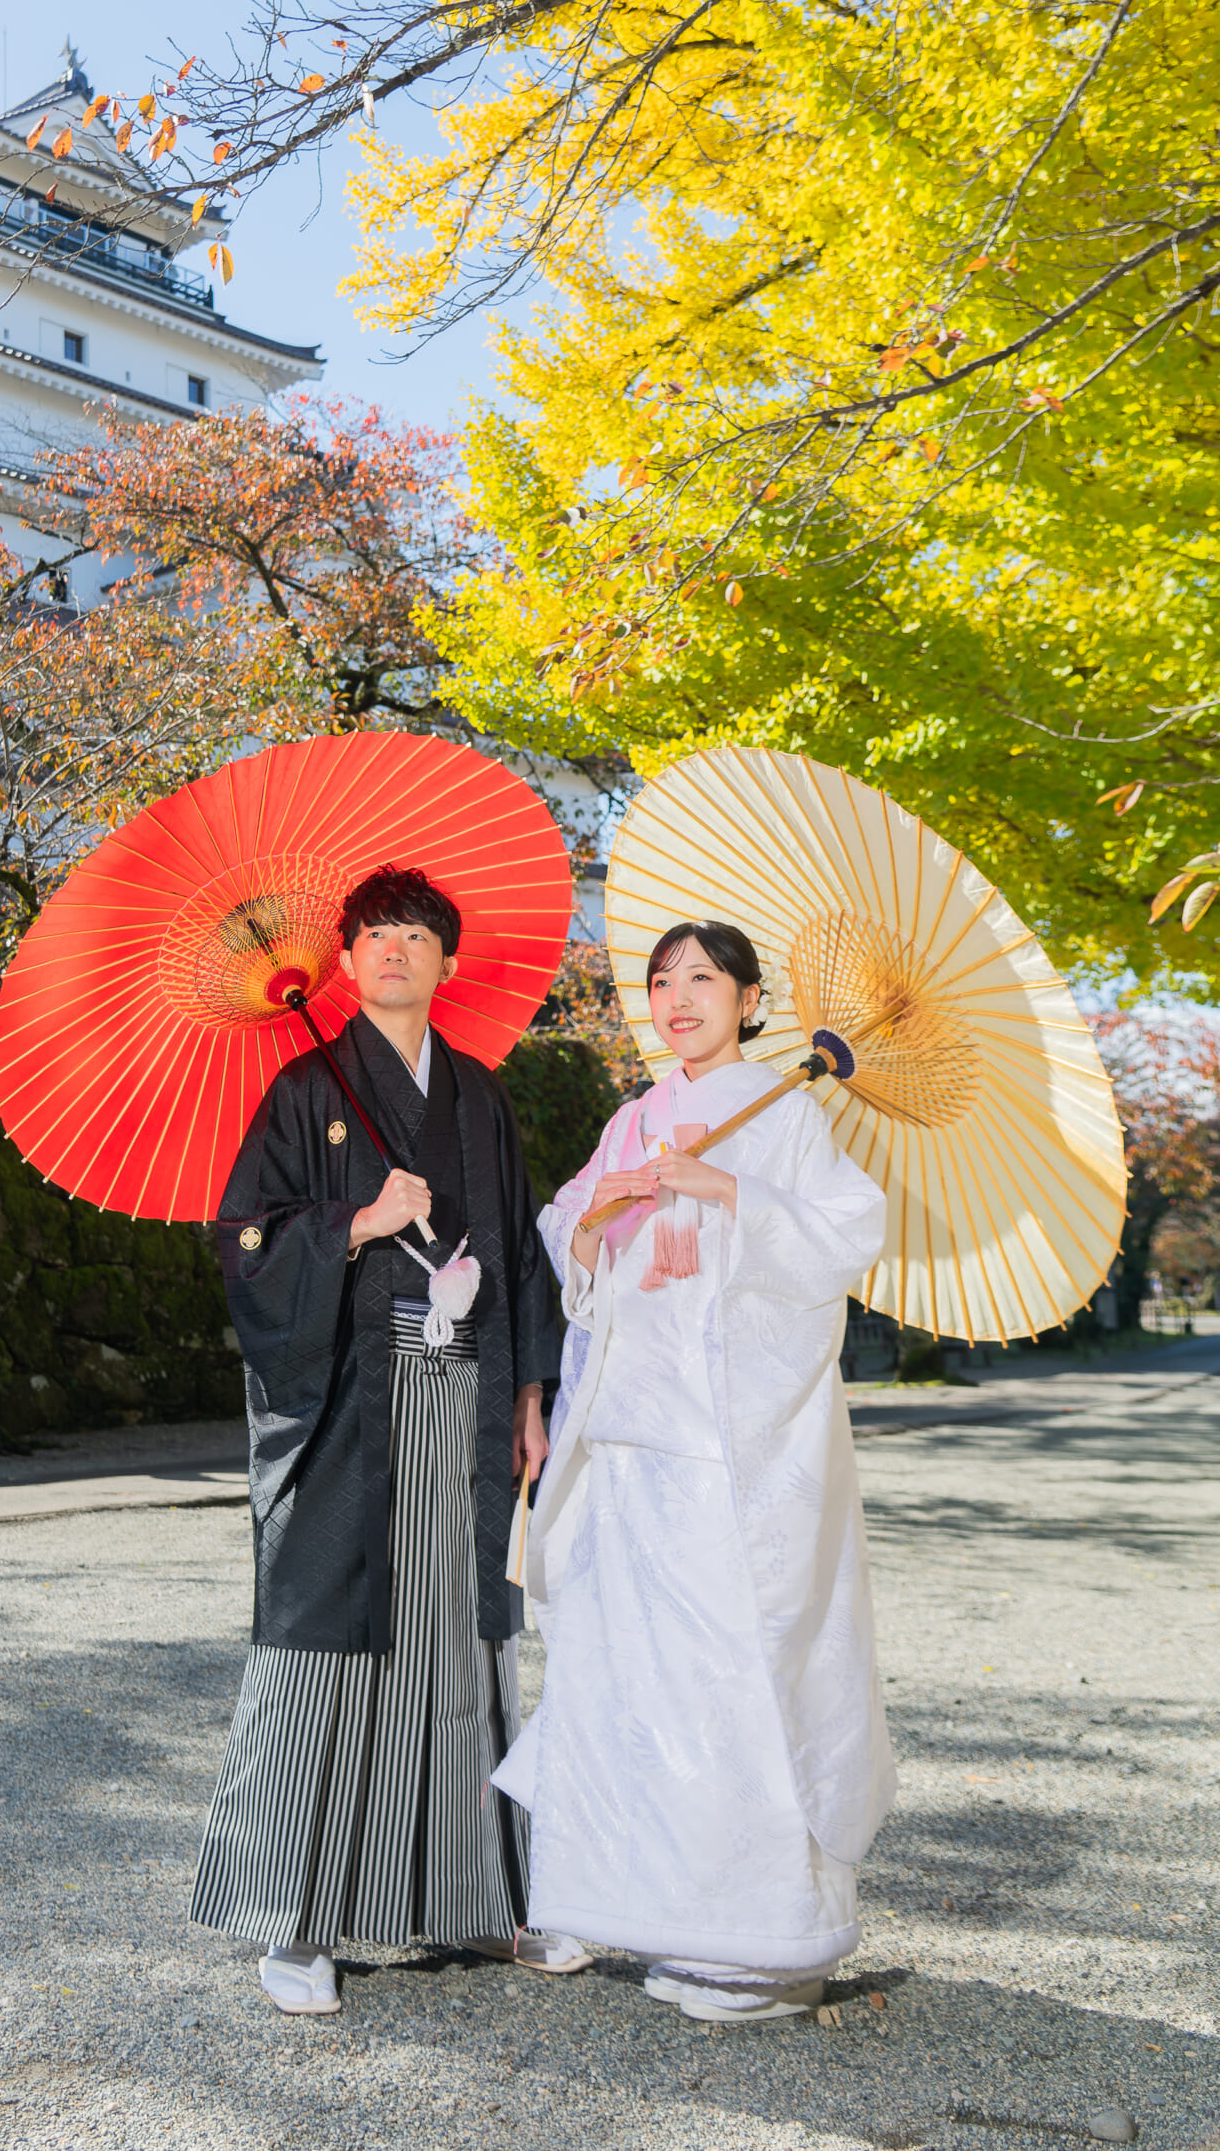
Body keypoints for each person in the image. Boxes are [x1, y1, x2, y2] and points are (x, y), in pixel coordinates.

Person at [190, 863, 587, 2014]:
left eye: (416, 933)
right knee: (330, 1641)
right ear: (348, 960)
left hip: (467, 1393)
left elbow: (519, 1257)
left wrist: (529, 1395)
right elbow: (244, 1239)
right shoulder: (305, 1087)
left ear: (446, 962)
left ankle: (479, 1895)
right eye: (374, 934)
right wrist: (356, 1221)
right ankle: (297, 1919)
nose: (395, 949)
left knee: (462, 1641)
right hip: (351, 1400)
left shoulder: (479, 1097)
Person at [494, 919, 893, 2024]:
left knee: (736, 1672)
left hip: (730, 1442)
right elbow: (570, 1233)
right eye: (662, 980)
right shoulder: (631, 1118)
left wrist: (729, 1192)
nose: (678, 997)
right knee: (633, 1674)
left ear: (751, 1002)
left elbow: (846, 1234)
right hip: (631, 1433)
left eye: (704, 979)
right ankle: (645, 1911)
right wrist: (595, 1225)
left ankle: (764, 1943)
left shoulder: (788, 1110)